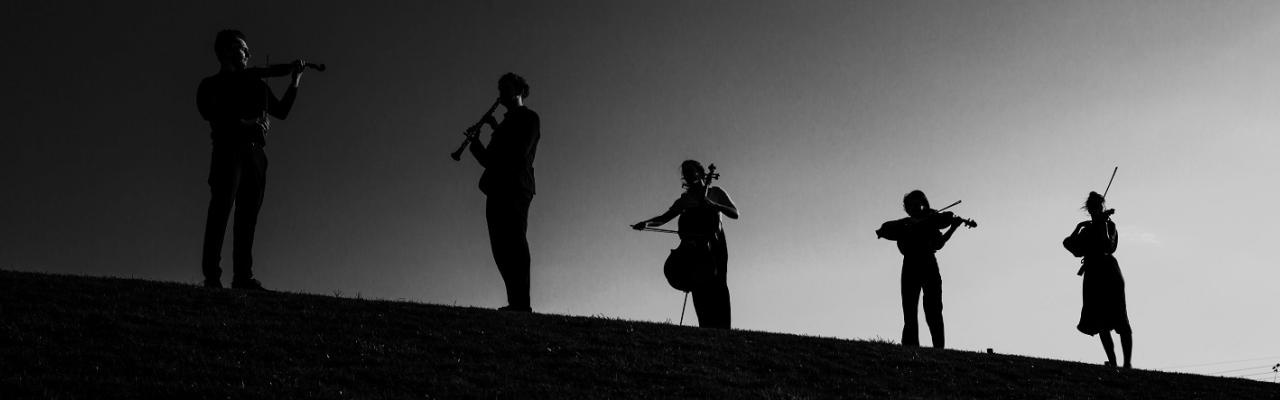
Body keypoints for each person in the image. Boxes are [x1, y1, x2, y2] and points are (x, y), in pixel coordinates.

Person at [196, 29, 307, 290]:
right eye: (240, 48)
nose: (246, 54)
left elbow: (281, 111)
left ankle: (242, 277)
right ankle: (212, 277)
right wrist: (247, 123)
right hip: (228, 149)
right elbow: (212, 113)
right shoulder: (211, 84)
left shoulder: (255, 83)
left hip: (256, 154)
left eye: (247, 50)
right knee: (220, 210)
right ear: (223, 51)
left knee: (248, 216)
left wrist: (295, 80)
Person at [463, 73, 540, 312]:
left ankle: (521, 303)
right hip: (496, 187)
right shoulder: (504, 125)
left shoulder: (529, 118)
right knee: (500, 246)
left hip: (516, 186)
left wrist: (497, 131)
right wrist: (475, 144)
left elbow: (518, 152)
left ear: (518, 91)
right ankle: (514, 301)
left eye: (505, 89)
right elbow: (489, 160)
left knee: (515, 242)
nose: (500, 95)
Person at [632, 160, 739, 329]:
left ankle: (724, 329)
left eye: (691, 171)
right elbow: (663, 218)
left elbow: (734, 213)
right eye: (685, 173)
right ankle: (705, 327)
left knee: (718, 286)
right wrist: (646, 223)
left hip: (716, 246)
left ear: (700, 172)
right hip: (693, 248)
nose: (688, 175)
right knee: (698, 287)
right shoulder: (684, 200)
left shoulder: (716, 192)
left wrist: (712, 204)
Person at [875, 190, 969, 348]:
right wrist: (912, 225)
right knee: (910, 310)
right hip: (910, 265)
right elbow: (886, 229)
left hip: (928, 264)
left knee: (933, 309)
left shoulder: (931, 221)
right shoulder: (905, 224)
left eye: (917, 204)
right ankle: (910, 349)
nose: (914, 208)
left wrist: (953, 227)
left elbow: (939, 243)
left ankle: (938, 349)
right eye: (910, 205)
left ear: (922, 204)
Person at [1064, 191, 1132, 368]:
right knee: (1101, 322)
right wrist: (1078, 227)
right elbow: (1071, 247)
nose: (1096, 210)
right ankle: (1114, 362)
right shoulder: (1087, 229)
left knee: (1121, 319)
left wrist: (1101, 224)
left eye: (1098, 207)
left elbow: (1108, 245)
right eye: (1093, 207)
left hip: (1109, 271)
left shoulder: (1109, 225)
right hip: (1093, 273)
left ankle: (1127, 364)